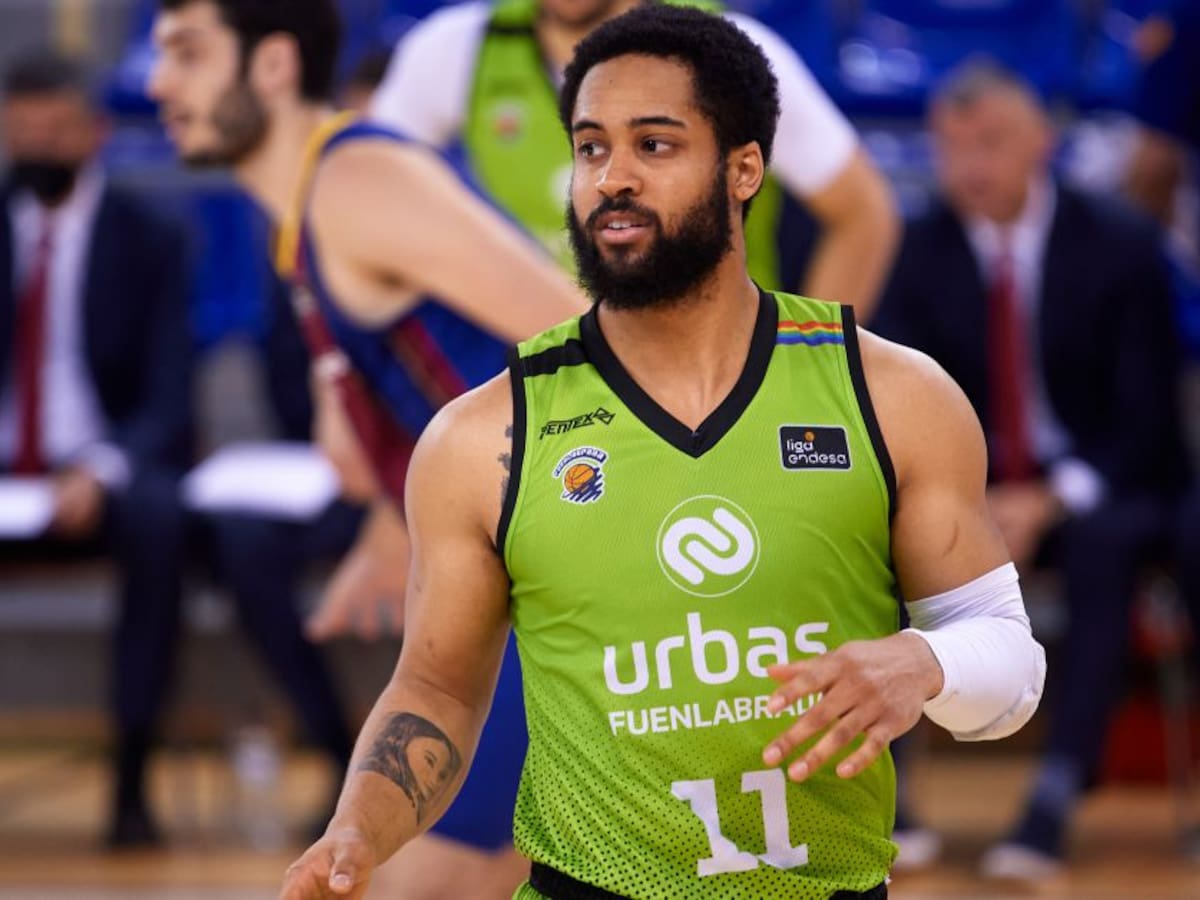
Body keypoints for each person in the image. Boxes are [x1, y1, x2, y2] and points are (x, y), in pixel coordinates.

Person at [279, 7, 1046, 898]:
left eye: (655, 145)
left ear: (744, 169)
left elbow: (1010, 669)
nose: (613, 178)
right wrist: (358, 831)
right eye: (592, 149)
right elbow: (436, 694)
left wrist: (927, 663)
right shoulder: (481, 439)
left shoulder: (896, 396)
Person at [148, 0, 585, 894]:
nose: (158, 83)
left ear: (273, 65)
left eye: (187, 54)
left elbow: (587, 340)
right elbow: (412, 408)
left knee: (424, 879)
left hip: (567, 558)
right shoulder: (302, 217)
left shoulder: (359, 181)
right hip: (515, 562)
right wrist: (395, 525)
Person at [874, 60, 1188, 879]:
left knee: (1107, 545)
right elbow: (895, 406)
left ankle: (1057, 789)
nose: (970, 166)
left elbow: (1146, 419)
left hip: (1092, 484)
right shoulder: (917, 249)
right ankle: (886, 787)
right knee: (875, 537)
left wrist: (1049, 499)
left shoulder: (1121, 243)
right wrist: (972, 499)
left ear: (1041, 142)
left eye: (990, 143)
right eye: (952, 147)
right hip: (964, 485)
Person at [370, 0, 899, 317]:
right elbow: (362, 187)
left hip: (716, 373)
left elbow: (864, 213)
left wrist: (803, 364)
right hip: (546, 377)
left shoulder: (733, 54)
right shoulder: (455, 49)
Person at [0, 50, 193, 849]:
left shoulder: (150, 235)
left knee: (159, 521)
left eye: (56, 131)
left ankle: (131, 782)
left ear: (94, 133)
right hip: (7, 469)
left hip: (99, 464)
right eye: (22, 132)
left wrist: (98, 470)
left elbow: (169, 398)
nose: (38, 148)